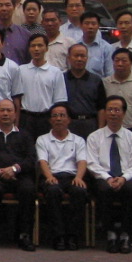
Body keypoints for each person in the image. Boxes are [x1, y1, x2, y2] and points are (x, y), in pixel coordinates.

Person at [87, 95, 132, 254]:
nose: (113, 113)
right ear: (105, 113)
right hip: (103, 177)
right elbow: (91, 163)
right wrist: (108, 178)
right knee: (103, 190)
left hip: (126, 177)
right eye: (110, 110)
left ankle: (126, 234)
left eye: (117, 110)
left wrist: (123, 178)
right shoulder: (94, 137)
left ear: (124, 113)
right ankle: (110, 234)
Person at [0, 98, 35, 251]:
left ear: (15, 114)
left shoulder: (25, 135)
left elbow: (31, 159)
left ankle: (25, 235)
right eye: (2, 110)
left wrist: (15, 169)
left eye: (9, 110)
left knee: (28, 189)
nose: (5, 113)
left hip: (19, 175)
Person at [36, 102, 89, 251]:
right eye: (55, 116)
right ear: (50, 120)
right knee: (52, 191)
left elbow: (82, 161)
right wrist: (49, 176)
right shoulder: (42, 139)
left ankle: (73, 236)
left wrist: (79, 177)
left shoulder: (78, 140)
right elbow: (42, 161)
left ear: (69, 119)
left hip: (72, 176)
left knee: (79, 191)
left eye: (62, 115)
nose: (58, 119)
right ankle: (58, 236)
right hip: (51, 175)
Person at [17, 33, 67, 140]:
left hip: (46, 119)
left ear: (46, 48)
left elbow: (59, 100)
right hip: (26, 118)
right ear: (29, 49)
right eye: (33, 46)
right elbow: (17, 98)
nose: (36, 49)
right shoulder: (21, 70)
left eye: (40, 45)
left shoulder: (56, 72)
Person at [63, 43, 107, 138]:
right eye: (76, 56)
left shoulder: (96, 80)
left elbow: (101, 108)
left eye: (82, 56)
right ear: (69, 58)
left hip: (90, 125)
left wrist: (100, 130)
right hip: (68, 125)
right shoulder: (61, 79)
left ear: (87, 58)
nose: (79, 59)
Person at [0, 0, 30, 64]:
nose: (4, 9)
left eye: (8, 5)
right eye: (0, 5)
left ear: (14, 7)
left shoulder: (25, 34)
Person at [80, 11, 113, 77]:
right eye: (87, 23)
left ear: (98, 26)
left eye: (93, 24)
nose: (90, 27)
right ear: (81, 26)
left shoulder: (107, 48)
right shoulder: (75, 46)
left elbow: (109, 73)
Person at [42, 7, 70, 71]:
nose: (50, 23)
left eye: (53, 20)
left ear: (60, 22)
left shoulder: (69, 43)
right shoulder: (38, 44)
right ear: (42, 23)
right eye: (47, 20)